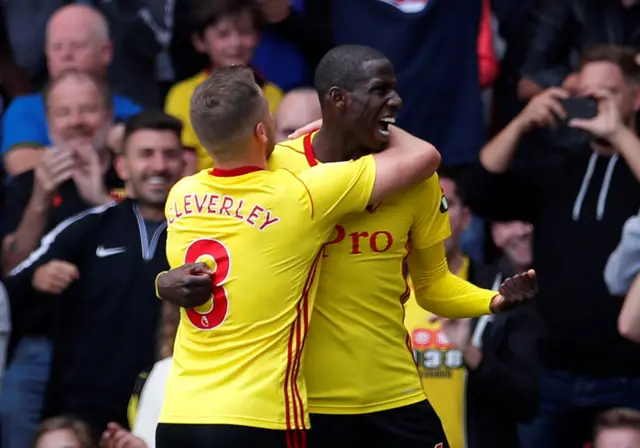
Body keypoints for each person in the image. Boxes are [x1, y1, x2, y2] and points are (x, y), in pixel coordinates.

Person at [157, 46, 537, 448]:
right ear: (338, 99)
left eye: (395, 90)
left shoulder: (419, 179)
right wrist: (165, 282)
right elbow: (218, 249)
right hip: (307, 407)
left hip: (394, 395)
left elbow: (434, 287)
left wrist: (490, 302)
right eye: (380, 92)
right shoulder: (280, 172)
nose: (397, 101)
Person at [464, 44, 640, 447]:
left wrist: (619, 133)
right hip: (552, 374)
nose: (592, 101)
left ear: (635, 96)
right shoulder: (558, 168)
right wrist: (522, 122)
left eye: (606, 92)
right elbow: (479, 189)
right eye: (585, 90)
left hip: (630, 376)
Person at [3, 110, 185, 443]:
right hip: (80, 415)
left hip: (167, 407)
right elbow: (10, 287)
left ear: (184, 163)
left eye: (169, 154)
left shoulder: (204, 231)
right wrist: (36, 279)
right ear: (122, 167)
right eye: (146, 154)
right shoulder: (88, 227)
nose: (159, 165)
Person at [404, 167, 541, 448]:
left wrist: (471, 353)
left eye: (444, 204)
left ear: (466, 218)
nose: (433, 216)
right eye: (422, 204)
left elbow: (527, 403)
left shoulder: (502, 292)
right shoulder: (381, 292)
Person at [165, 0, 283, 173]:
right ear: (200, 41)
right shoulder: (182, 95)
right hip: (207, 194)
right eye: (223, 34)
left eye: (244, 32)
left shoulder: (273, 94)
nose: (235, 43)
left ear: (257, 38)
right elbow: (184, 167)